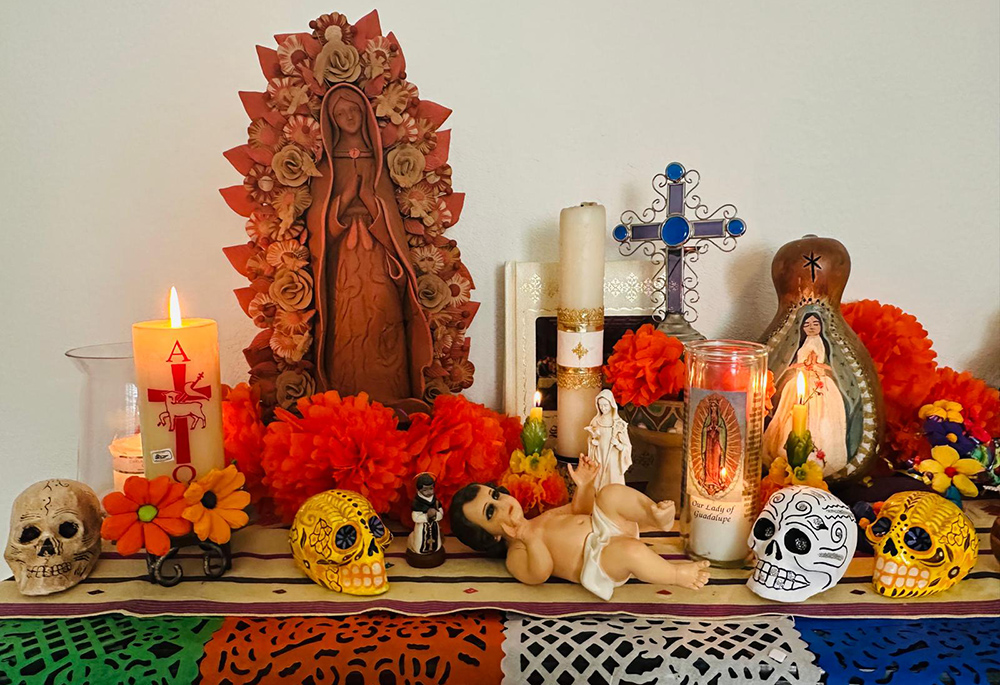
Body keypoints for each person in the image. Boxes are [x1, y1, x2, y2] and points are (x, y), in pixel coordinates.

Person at [306, 82, 432, 408]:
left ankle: (389, 395)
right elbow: (318, 224)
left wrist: (372, 205)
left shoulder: (378, 164)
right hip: (343, 261)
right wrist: (346, 200)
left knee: (383, 317)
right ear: (331, 120)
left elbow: (389, 214)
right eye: (340, 113)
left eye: (353, 110)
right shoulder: (326, 167)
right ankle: (346, 396)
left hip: (377, 253)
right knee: (346, 323)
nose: (348, 117)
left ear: (364, 113)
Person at [449, 456, 710, 600]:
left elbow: (579, 510)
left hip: (604, 527)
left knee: (610, 494)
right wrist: (529, 539)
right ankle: (675, 575)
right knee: (632, 551)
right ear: (490, 536)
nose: (502, 502)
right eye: (490, 511)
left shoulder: (538, 519)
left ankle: (656, 518)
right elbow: (539, 573)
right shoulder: (516, 553)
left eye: (495, 495)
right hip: (599, 559)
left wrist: (584, 486)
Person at [763, 312, 849, 474]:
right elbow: (801, 362)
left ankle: (818, 454)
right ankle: (789, 452)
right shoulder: (805, 342)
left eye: (815, 323)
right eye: (807, 324)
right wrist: (797, 367)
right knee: (790, 414)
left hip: (817, 383)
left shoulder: (819, 343)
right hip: (801, 380)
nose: (811, 327)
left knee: (819, 416)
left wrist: (814, 366)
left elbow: (820, 363)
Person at [585, 389, 633, 490]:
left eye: (605, 405)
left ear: (611, 404)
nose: (603, 408)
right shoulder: (596, 421)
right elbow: (592, 437)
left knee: (613, 477)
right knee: (598, 475)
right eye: (600, 405)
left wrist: (618, 445)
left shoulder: (618, 423)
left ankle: (613, 499)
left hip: (612, 457)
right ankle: (598, 497)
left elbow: (627, 446)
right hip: (599, 456)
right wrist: (594, 442)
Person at [408, 473, 443, 556]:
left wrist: (436, 515)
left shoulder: (435, 501)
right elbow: (415, 517)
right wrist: (427, 516)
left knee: (436, 541)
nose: (429, 492)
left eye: (431, 488)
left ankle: (435, 549)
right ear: (418, 490)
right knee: (420, 541)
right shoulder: (417, 502)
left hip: (434, 525)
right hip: (422, 527)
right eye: (425, 490)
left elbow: (441, 513)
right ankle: (419, 550)